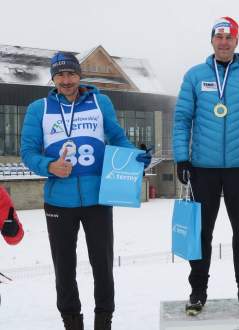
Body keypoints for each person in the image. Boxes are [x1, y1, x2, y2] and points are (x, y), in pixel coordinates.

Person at [20, 52, 151, 330]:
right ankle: (72, 323)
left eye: (71, 74)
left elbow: (116, 136)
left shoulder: (100, 102)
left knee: (102, 266)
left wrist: (134, 155)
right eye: (60, 75)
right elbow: (27, 152)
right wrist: (49, 166)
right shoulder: (38, 108)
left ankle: (104, 321)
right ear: (53, 78)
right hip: (58, 201)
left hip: (97, 198)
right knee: (64, 269)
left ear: (80, 76)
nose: (66, 80)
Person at [172, 16, 239, 315]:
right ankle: (197, 292)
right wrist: (182, 157)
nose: (224, 42)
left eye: (230, 37)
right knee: (202, 233)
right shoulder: (195, 75)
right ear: (212, 41)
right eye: (219, 37)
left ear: (237, 41)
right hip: (203, 167)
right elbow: (182, 120)